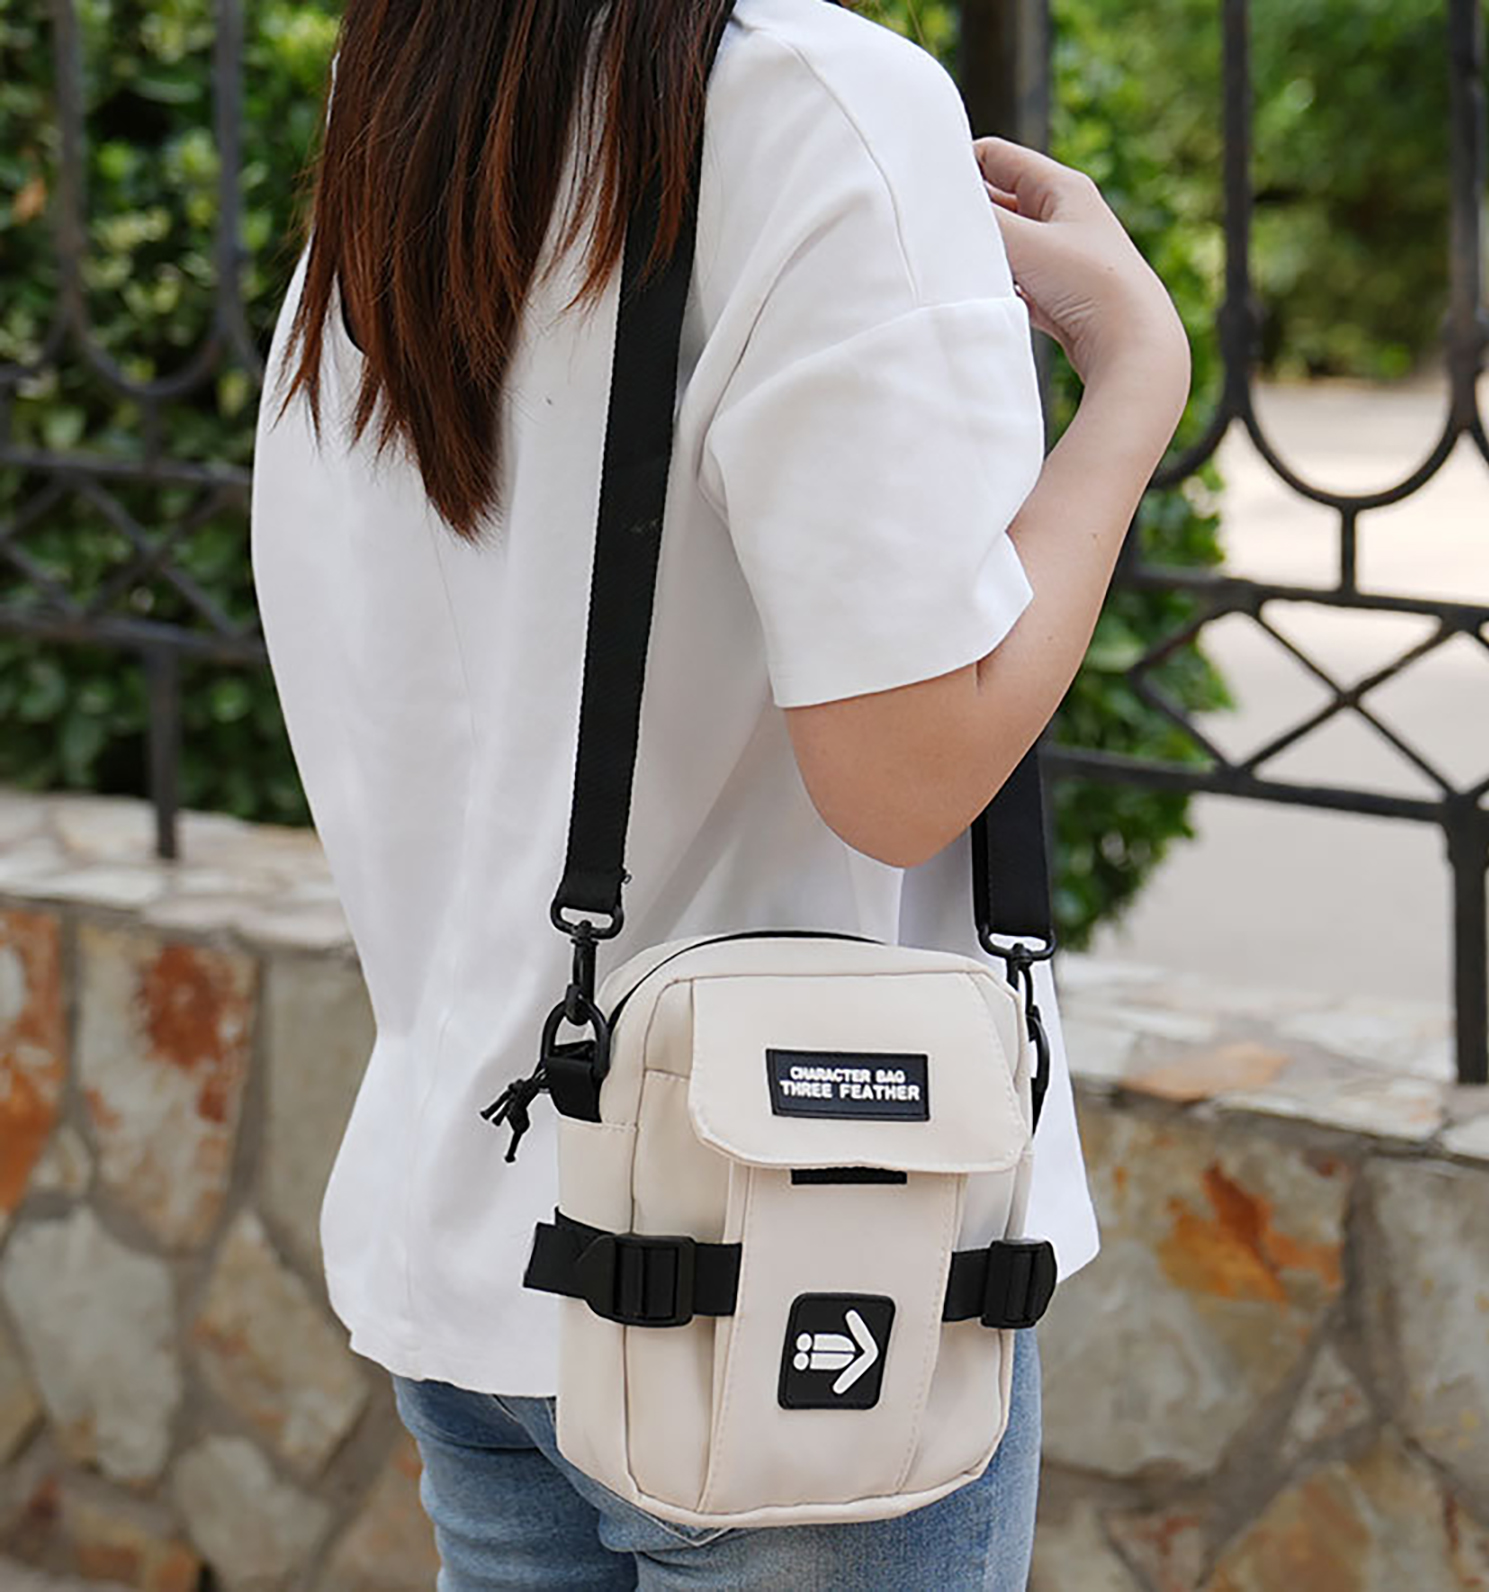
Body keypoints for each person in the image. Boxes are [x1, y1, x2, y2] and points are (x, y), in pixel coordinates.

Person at [252, 0, 1189, 1585]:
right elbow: (907, 771)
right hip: (795, 1258)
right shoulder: (812, 102)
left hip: (478, 1230)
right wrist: (1139, 382)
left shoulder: (419, 88)